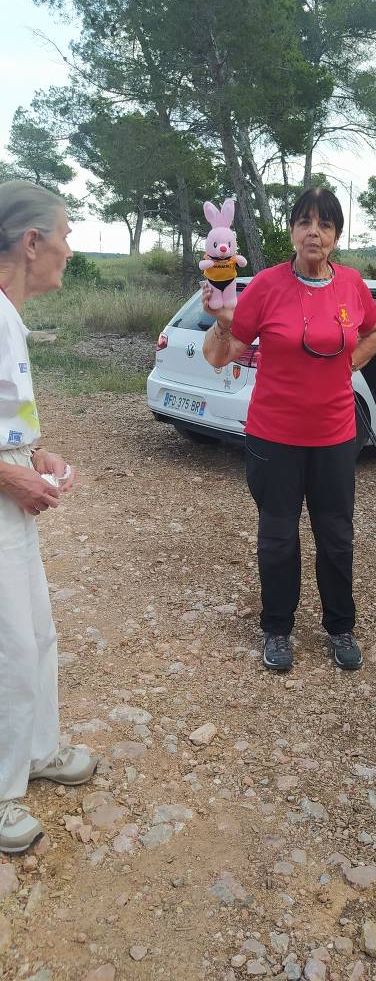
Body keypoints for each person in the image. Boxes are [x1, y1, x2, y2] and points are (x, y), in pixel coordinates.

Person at [202, 187, 376, 671]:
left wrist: (348, 366)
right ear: (291, 230)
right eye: (305, 221)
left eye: (325, 224)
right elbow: (220, 355)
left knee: (336, 535)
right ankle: (278, 628)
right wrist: (220, 322)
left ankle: (340, 626)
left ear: (336, 236)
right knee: (279, 536)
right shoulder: (264, 285)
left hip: (334, 435)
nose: (314, 232)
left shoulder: (351, 283)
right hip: (274, 436)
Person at [0, 180, 97, 854]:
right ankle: (2, 793)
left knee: (35, 638)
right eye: (63, 234)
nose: (69, 247)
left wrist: (35, 455)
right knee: (5, 651)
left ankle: (35, 752)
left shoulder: (10, 319)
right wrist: (9, 475)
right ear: (31, 242)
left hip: (12, 509)